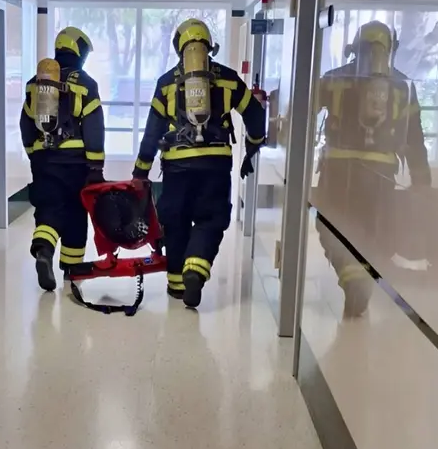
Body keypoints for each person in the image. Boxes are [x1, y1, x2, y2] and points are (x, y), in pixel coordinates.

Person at [132, 18, 266, 308]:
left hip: (177, 168)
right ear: (208, 45)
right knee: (210, 219)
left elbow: (153, 130)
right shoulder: (228, 78)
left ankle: (177, 285)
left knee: (176, 221)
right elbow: (255, 115)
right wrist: (253, 146)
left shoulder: (166, 83)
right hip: (215, 167)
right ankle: (196, 270)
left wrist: (141, 171)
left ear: (179, 47)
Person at [312, 20, 431, 318]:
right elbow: (414, 138)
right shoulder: (403, 86)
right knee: (372, 229)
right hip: (381, 175)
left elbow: (305, 112)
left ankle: (352, 276)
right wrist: (422, 180)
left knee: (330, 225)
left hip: (337, 169)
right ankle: (361, 278)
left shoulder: (333, 79)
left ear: (356, 47)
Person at [20, 27, 105, 291]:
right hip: (76, 163)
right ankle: (71, 269)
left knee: (49, 209)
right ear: (78, 51)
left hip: (45, 161)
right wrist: (95, 166)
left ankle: (44, 250)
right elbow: (94, 126)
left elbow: (25, 124)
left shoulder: (36, 83)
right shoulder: (86, 84)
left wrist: (34, 155)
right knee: (76, 213)